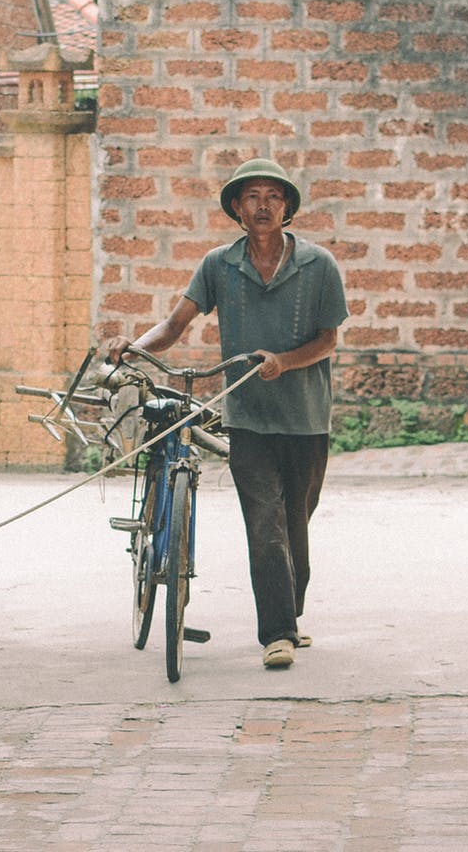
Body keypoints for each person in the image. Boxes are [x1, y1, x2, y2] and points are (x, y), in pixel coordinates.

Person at [105, 157, 347, 670]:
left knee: (295, 526)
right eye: (252, 196)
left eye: (273, 196)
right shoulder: (219, 264)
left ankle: (291, 614)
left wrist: (286, 361)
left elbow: (328, 340)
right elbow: (173, 327)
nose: (263, 205)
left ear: (286, 208)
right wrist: (133, 347)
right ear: (237, 208)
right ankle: (277, 633)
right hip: (249, 418)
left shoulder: (318, 264)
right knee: (265, 524)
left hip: (306, 419)